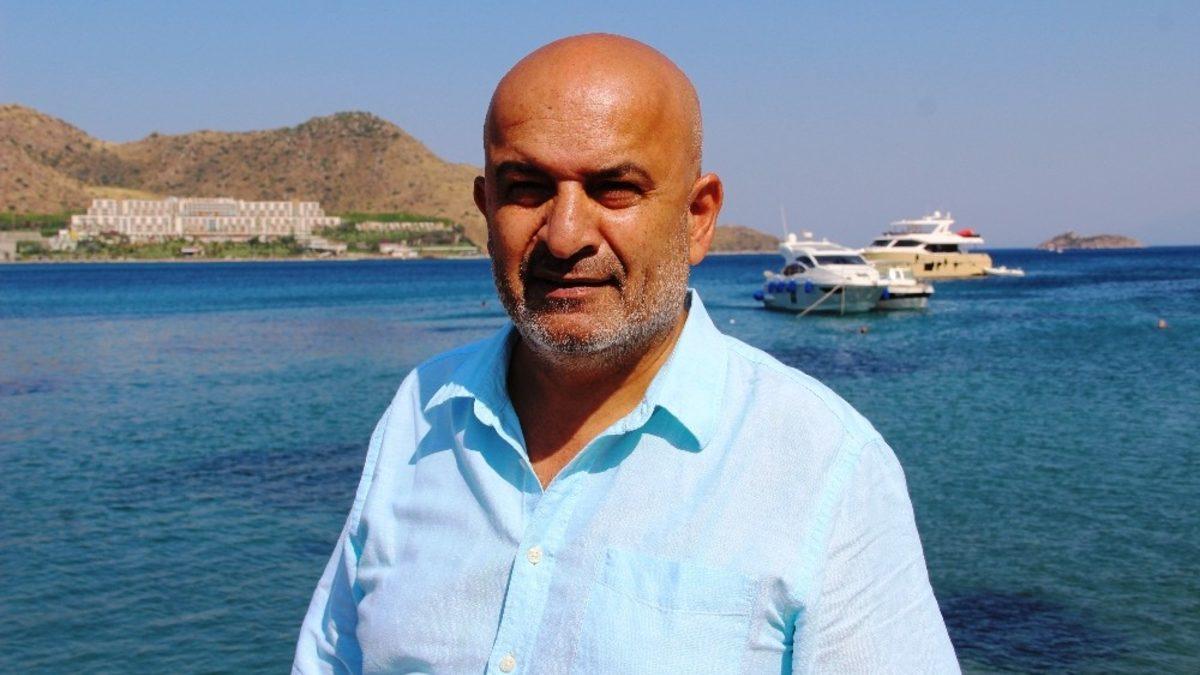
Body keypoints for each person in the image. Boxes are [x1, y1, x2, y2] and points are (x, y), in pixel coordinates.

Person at [294, 34, 958, 674]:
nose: (565, 236)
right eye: (526, 187)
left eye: (614, 189)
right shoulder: (422, 414)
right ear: (486, 208)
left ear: (697, 217)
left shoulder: (823, 467)